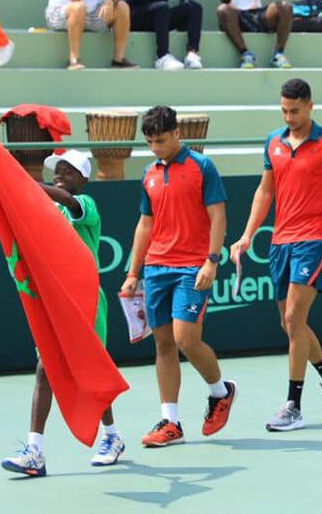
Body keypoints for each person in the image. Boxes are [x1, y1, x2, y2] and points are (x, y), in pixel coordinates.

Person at [230, 79, 322, 431]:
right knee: (289, 323)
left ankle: (293, 406)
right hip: (280, 242)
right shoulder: (273, 141)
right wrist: (247, 234)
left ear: (310, 106)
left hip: (314, 240)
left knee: (295, 318)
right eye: (284, 110)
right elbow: (265, 192)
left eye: (295, 111)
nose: (289, 117)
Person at [0, 150, 123, 477]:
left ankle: (111, 436)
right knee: (45, 368)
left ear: (83, 179)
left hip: (86, 302)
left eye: (69, 172)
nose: (60, 175)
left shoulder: (87, 207)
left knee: (91, 372)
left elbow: (66, 199)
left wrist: (24, 184)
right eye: (58, 170)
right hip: (54, 302)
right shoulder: (47, 208)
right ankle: (35, 452)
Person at [120, 106, 237, 448]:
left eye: (161, 140)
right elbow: (146, 224)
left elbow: (218, 216)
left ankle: (220, 392)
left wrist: (212, 261)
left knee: (186, 337)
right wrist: (133, 272)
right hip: (156, 267)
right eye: (150, 142)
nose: (156, 147)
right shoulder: (148, 173)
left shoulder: (202, 167)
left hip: (192, 267)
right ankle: (171, 422)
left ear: (177, 134)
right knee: (164, 343)